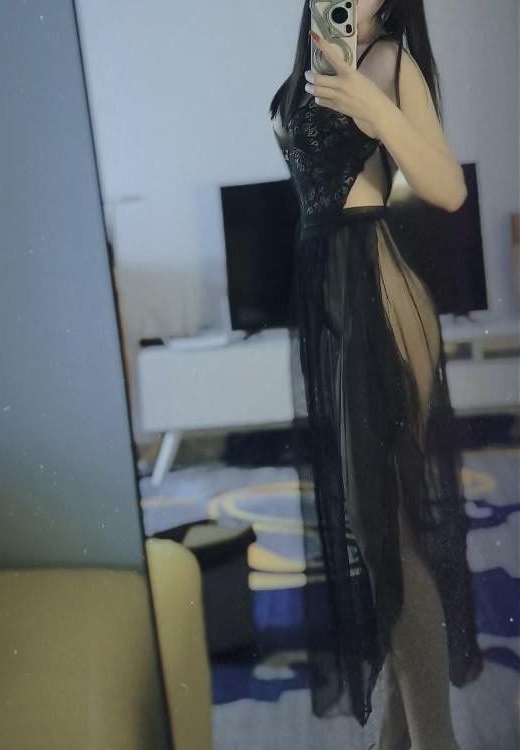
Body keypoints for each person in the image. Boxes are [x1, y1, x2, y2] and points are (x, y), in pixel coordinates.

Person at [269, 1, 484, 748]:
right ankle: (399, 737)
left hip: (380, 299)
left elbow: (448, 189)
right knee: (379, 532)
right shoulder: (310, 69)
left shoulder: (390, 61)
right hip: (334, 302)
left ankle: (433, 740)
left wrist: (374, 105)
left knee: (385, 533)